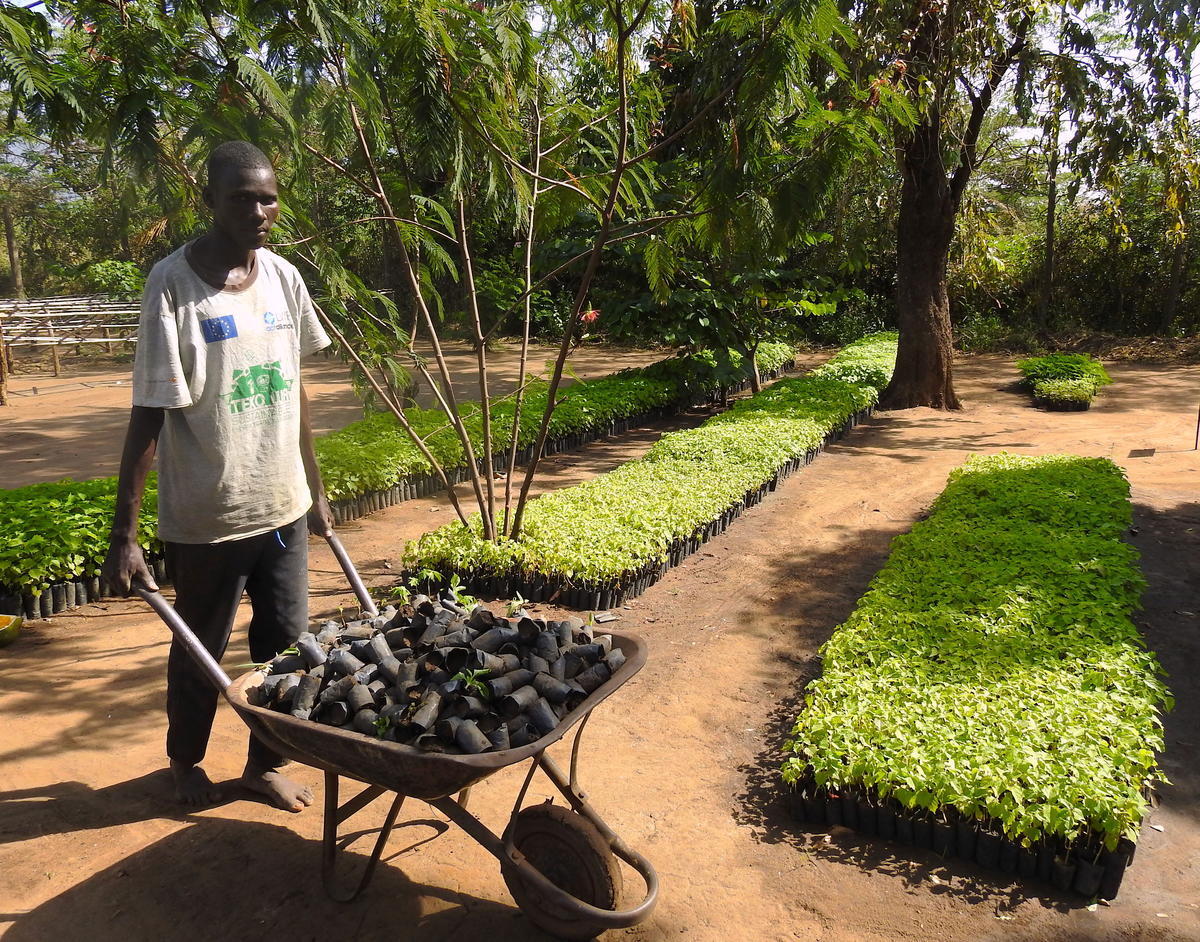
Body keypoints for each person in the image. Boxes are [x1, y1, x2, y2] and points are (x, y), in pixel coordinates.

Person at [102, 140, 333, 812]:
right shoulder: (171, 285)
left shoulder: (285, 278)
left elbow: (295, 394)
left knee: (287, 647)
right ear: (208, 202)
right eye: (242, 198)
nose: (260, 210)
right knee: (200, 649)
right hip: (208, 518)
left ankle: (265, 764)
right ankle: (185, 762)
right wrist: (126, 532)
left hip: (283, 508)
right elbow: (148, 415)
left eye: (268, 196)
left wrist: (314, 486)